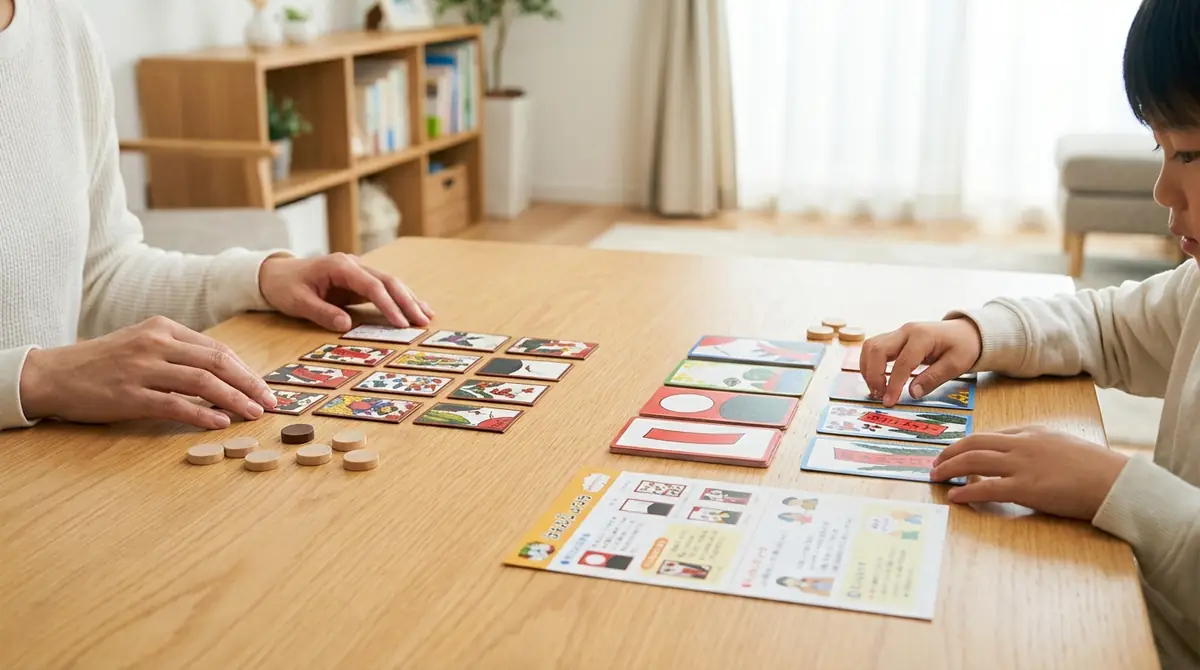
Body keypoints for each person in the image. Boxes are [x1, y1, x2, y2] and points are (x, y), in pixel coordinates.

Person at [858, 1, 1198, 666]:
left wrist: (1113, 485)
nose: (1164, 190)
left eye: (1189, 151)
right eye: (1161, 147)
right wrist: (980, 332)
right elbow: (1107, 324)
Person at [0, 0, 433, 433]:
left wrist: (258, 278)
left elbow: (99, 275)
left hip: (51, 457)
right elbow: (47, 369)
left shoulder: (62, 24)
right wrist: (37, 378)